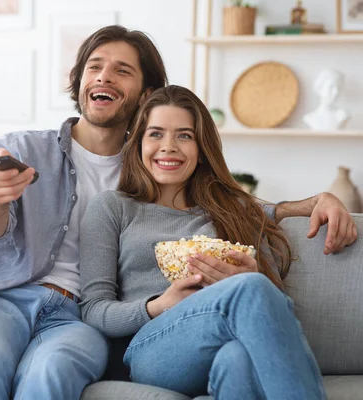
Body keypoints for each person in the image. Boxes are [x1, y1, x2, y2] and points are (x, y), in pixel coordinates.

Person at [0, 25, 355, 400]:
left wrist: (314, 202)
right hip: (14, 297)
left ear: (144, 92)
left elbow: (245, 205)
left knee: (56, 374)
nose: (167, 147)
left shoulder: (173, 180)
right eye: (95, 66)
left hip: (73, 316)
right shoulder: (36, 155)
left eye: (122, 70)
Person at [79, 85, 357, 400]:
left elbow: (277, 308)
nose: (168, 147)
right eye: (155, 134)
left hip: (223, 346)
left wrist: (254, 275)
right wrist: (160, 305)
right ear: (139, 143)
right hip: (150, 351)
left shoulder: (235, 210)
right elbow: (93, 310)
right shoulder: (113, 207)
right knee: (250, 288)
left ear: (201, 150)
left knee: (237, 358)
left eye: (184, 136)